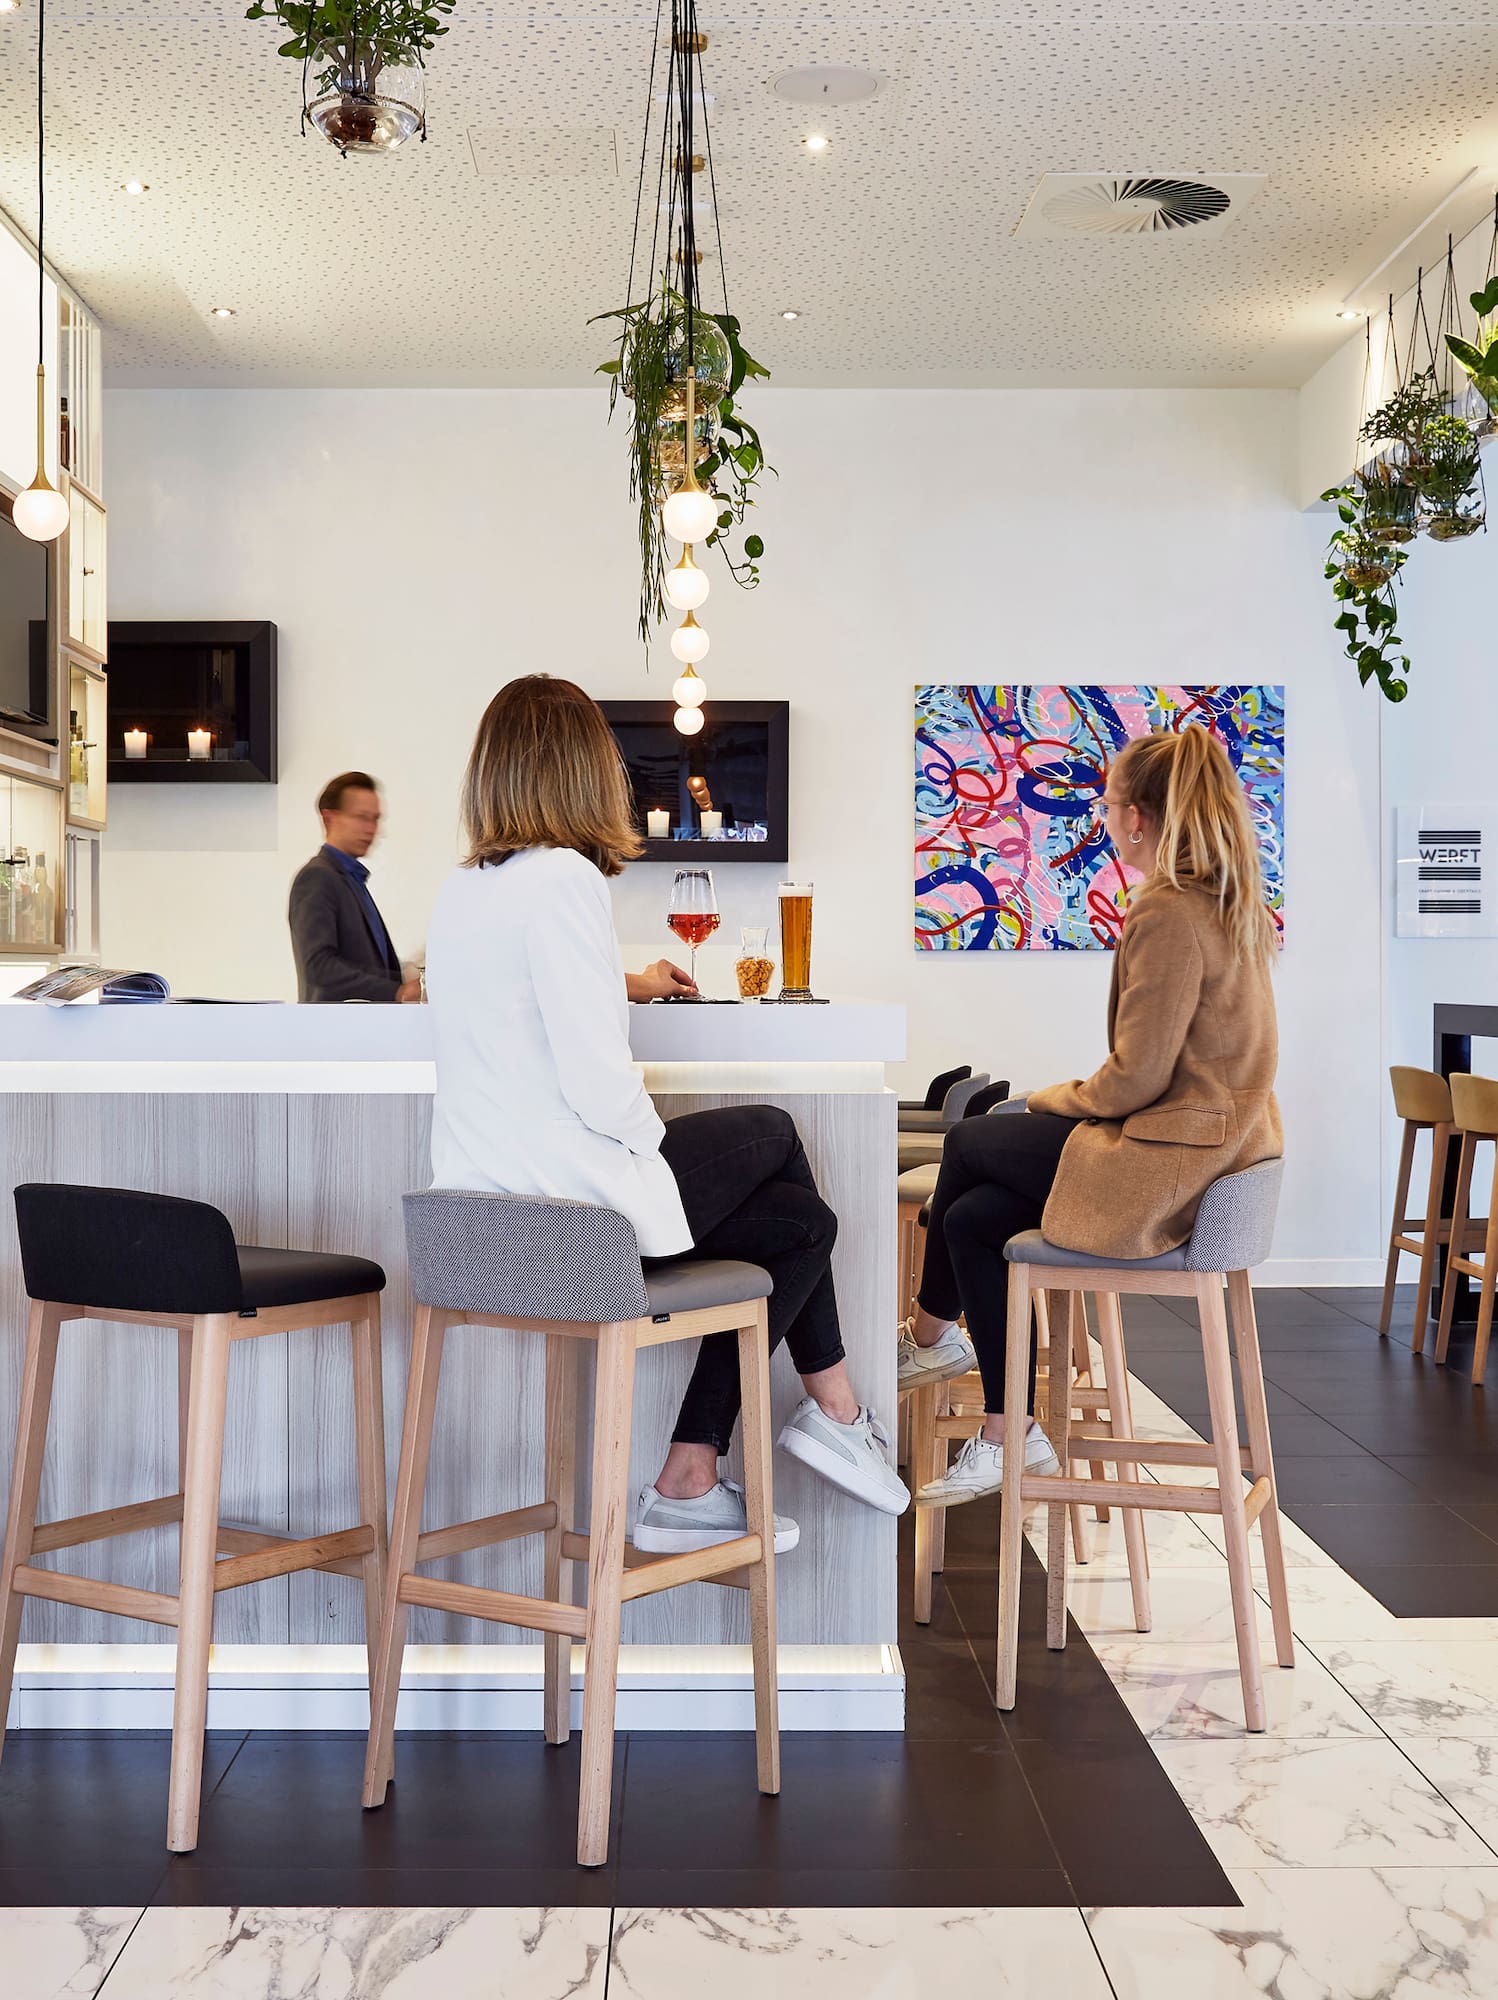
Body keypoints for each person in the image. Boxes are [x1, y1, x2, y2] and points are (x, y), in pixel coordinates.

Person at [425, 674, 908, 1551]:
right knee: (773, 1133)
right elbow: (600, 1085)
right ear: (581, 770)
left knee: (802, 1223)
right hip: (570, 1212)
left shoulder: (467, 890)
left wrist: (630, 984)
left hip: (476, 1211)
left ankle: (698, 1473)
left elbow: (523, 997)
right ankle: (818, 1415)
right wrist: (651, 1165)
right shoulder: (567, 877)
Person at [902, 726, 1281, 1506]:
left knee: (974, 1136)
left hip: (1172, 1160)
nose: (1102, 820)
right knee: (972, 1217)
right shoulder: (1224, 903)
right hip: (1213, 1151)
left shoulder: (1170, 913)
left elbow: (1132, 1081)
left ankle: (928, 1338)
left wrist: (1047, 1098)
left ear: (1139, 816)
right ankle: (1012, 1429)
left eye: (1108, 805)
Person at [288, 772, 421, 1004]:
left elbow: (362, 963)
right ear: (328, 818)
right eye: (362, 817)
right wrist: (396, 990)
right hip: (337, 1032)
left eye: (376, 819)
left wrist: (406, 977)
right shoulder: (317, 878)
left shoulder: (351, 880)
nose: (371, 829)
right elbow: (320, 967)